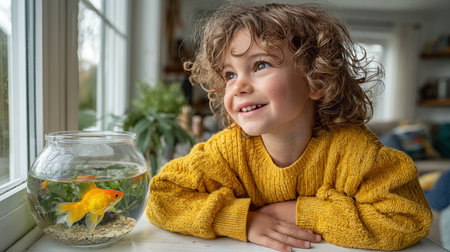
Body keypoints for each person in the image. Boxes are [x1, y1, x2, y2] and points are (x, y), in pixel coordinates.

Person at [145, 2, 432, 251]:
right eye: (230, 74)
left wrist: (302, 213)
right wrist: (241, 219)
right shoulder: (227, 151)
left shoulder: (354, 151)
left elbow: (408, 219)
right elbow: (161, 197)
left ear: (316, 80)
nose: (239, 86)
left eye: (260, 65)